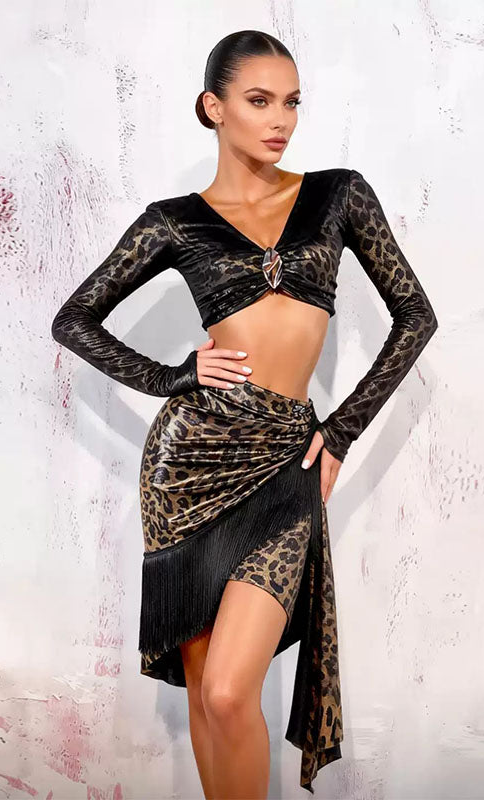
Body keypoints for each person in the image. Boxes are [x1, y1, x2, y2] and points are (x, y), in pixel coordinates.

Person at [51, 29, 438, 798]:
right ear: (213, 107)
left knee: (231, 690)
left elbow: (416, 316)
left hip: (287, 459)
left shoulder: (340, 195)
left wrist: (341, 431)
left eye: (291, 101)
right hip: (188, 466)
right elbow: (74, 320)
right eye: (259, 100)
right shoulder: (173, 220)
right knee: (207, 694)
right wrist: (172, 375)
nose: (280, 119)